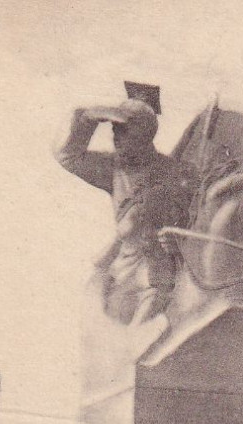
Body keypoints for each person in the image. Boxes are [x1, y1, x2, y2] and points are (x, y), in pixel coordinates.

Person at [55, 99, 193, 323]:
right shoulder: (113, 168)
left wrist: (179, 239)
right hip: (125, 273)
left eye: (123, 131)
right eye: (114, 130)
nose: (115, 137)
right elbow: (67, 156)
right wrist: (85, 118)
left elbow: (198, 217)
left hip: (174, 272)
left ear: (144, 135)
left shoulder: (179, 172)